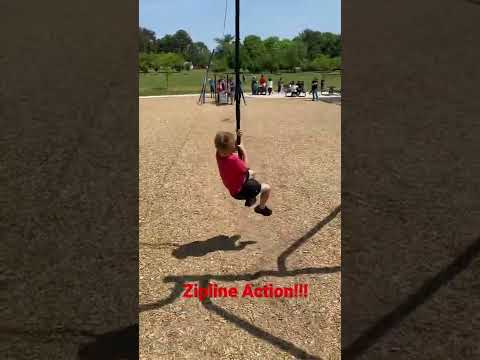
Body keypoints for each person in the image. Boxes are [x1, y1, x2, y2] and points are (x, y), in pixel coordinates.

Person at [214, 130, 272, 216]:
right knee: (267, 188)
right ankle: (261, 208)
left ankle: (251, 197)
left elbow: (230, 148)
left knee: (252, 174)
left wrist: (238, 137)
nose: (235, 146)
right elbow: (246, 167)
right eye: (234, 145)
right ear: (230, 149)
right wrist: (243, 150)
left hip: (232, 187)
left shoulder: (219, 153)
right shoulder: (233, 160)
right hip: (239, 191)